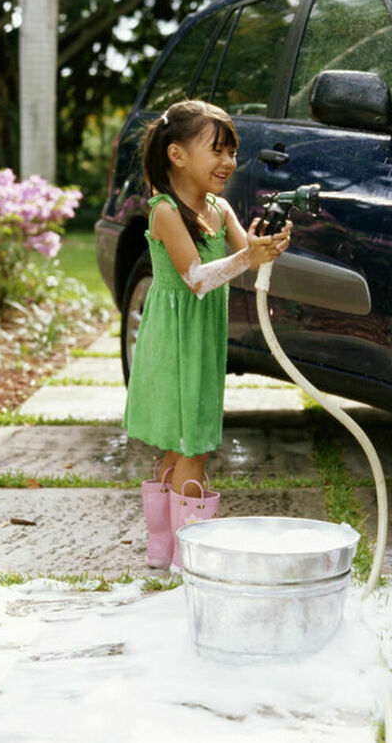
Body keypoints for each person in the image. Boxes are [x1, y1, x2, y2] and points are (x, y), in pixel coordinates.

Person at [123, 99, 291, 570]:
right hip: (175, 340)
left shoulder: (220, 209)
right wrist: (247, 259)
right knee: (192, 445)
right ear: (177, 155)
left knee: (183, 443)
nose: (229, 162)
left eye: (232, 152)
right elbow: (196, 278)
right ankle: (186, 561)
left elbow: (248, 254)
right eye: (217, 150)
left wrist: (269, 247)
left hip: (200, 338)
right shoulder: (164, 212)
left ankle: (163, 551)